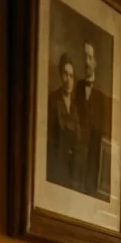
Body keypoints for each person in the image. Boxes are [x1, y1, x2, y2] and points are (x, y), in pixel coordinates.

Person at [74, 40, 111, 200]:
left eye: (90, 58)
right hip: (78, 154)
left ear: (95, 62)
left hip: (93, 157)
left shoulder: (101, 95)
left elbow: (103, 132)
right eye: (85, 57)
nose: (86, 62)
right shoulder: (78, 87)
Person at [47, 52, 81, 189]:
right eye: (65, 74)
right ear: (60, 75)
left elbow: (78, 139)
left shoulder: (75, 108)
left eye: (71, 76)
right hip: (56, 166)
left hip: (71, 168)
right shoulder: (53, 100)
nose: (68, 80)